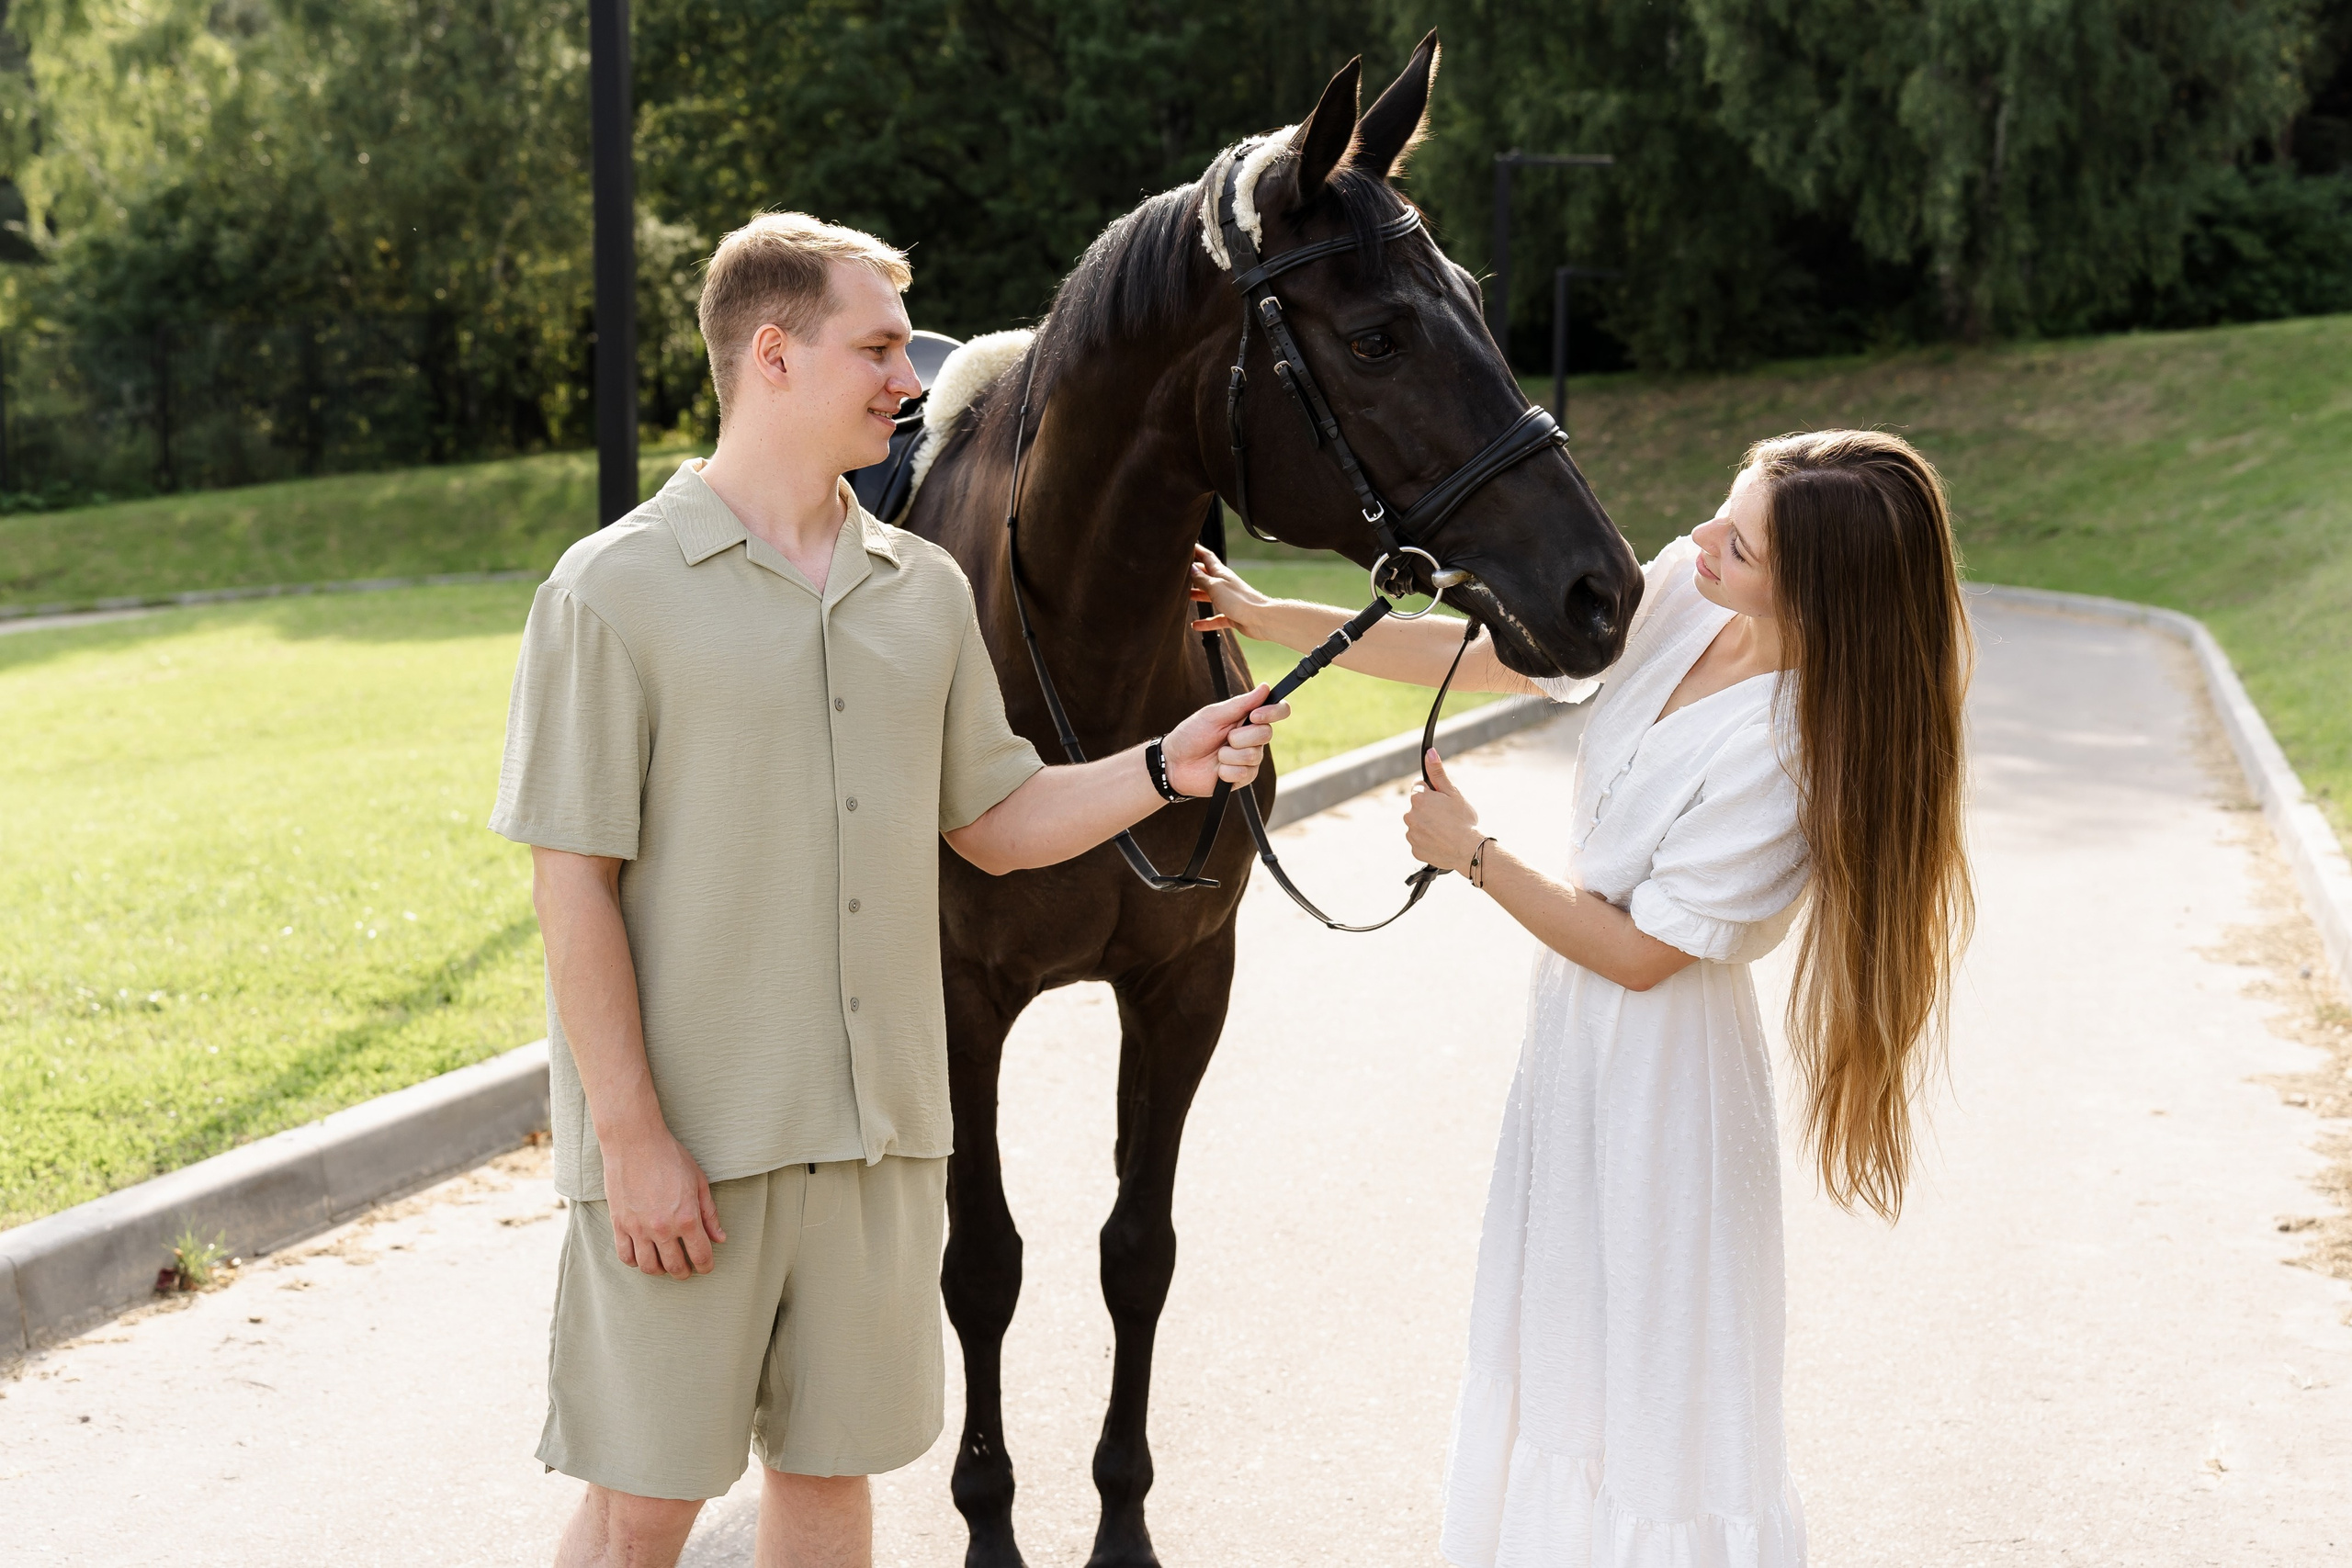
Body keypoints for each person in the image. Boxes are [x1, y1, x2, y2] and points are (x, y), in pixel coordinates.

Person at [491, 211, 1288, 1568]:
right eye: (876, 349)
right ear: (774, 354)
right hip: (697, 1144)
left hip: (880, 1148)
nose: (911, 381)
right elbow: (572, 886)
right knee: (647, 1501)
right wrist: (631, 1138)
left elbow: (997, 818)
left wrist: (1165, 762)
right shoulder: (609, 592)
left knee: (828, 1486)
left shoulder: (920, 590)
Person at [1191, 429, 1973, 1567]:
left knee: (1653, 1375)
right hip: (1573, 1046)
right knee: (1556, 1343)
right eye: (1724, 508)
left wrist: (1472, 854)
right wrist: (1276, 618)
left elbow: (1647, 955)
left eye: (1739, 544)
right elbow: (1501, 659)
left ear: (1818, 588)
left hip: (1667, 1077)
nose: (1701, 539)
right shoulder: (1686, 597)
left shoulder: (1801, 747)